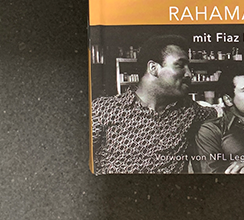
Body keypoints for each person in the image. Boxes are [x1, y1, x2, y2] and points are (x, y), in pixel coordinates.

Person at [91, 35, 216, 174]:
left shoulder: (189, 110)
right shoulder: (104, 109)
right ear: (153, 68)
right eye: (180, 65)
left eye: (189, 67)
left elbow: (226, 119)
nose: (189, 74)